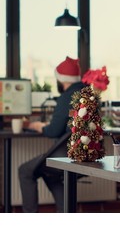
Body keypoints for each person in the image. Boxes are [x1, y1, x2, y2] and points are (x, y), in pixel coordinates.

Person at [18, 56, 86, 213]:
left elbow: (54, 130)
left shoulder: (66, 97)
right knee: (51, 174)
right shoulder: (87, 93)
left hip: (67, 155)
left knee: (25, 171)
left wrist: (37, 126)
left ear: (61, 80)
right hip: (85, 153)